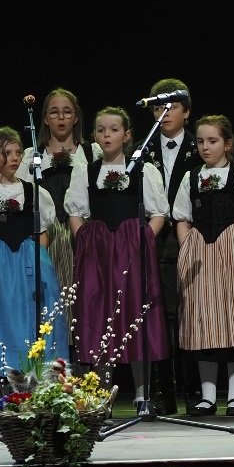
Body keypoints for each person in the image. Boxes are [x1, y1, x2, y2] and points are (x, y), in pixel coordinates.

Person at [65, 106, 168, 415]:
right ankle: (99, 395)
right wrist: (83, 236)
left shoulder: (143, 170)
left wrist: (142, 238)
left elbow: (158, 212)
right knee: (98, 316)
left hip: (131, 251)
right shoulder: (86, 171)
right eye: (101, 129)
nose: (107, 134)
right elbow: (75, 210)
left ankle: (142, 394)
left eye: (113, 129)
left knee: (135, 316)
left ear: (127, 135)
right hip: (98, 253)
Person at [0, 126, 68, 407]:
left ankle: (38, 387)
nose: (13, 158)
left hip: (27, 266)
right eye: (6, 153)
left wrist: (35, 255)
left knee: (31, 321)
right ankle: (0, 388)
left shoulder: (34, 192)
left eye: (18, 152)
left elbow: (43, 229)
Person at [172, 114, 234, 417]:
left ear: (228, 143)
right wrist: (187, 247)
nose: (205, 147)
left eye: (212, 141)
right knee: (203, 321)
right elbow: (182, 217)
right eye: (200, 141)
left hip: (233, 248)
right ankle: (208, 396)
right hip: (201, 250)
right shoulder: (191, 177)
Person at [15, 88, 98, 355]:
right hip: (46, 237)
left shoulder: (91, 151)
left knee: (83, 295)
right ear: (45, 119)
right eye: (54, 112)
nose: (60, 117)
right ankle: (53, 355)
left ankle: (83, 355)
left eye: (67, 112)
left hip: (81, 233)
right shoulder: (32, 155)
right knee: (51, 297)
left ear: (76, 117)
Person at [142, 77, 202, 416]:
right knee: (158, 318)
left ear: (187, 112)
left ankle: (194, 389)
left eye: (172, 106)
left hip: (192, 239)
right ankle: (163, 390)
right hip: (155, 242)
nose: (164, 112)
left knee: (190, 314)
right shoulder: (139, 150)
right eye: (157, 106)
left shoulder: (201, 146)